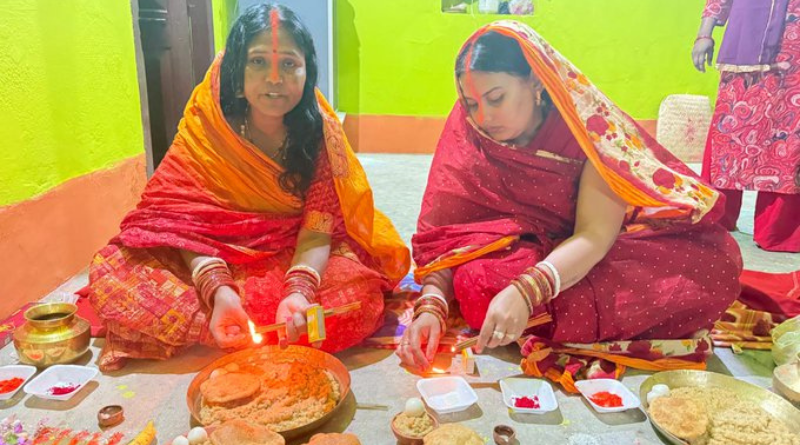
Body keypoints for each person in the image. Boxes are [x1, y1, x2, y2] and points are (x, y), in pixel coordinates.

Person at [398, 22, 743, 386]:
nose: (483, 118)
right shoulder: (466, 132)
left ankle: (536, 317)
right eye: (470, 104)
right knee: (475, 283)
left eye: (496, 98)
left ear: (534, 82)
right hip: (514, 253)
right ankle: (547, 318)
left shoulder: (586, 124)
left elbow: (594, 234)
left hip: (590, 251)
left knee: (714, 263)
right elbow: (448, 240)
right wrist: (432, 307)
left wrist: (527, 291)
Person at [88, 3, 409, 371]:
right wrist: (218, 290)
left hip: (290, 251)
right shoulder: (208, 126)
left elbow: (318, 232)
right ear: (237, 71)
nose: (274, 78)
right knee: (116, 274)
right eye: (258, 62)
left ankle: (238, 330)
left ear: (308, 72)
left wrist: (299, 293)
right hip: (209, 257)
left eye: (289, 64)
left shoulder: (317, 132)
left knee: (358, 299)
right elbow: (181, 225)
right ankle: (232, 322)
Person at [693, 0, 800, 253]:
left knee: (790, 136)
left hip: (795, 48)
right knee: (731, 130)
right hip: (747, 42)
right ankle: (716, 216)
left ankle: (778, 230)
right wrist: (704, 34)